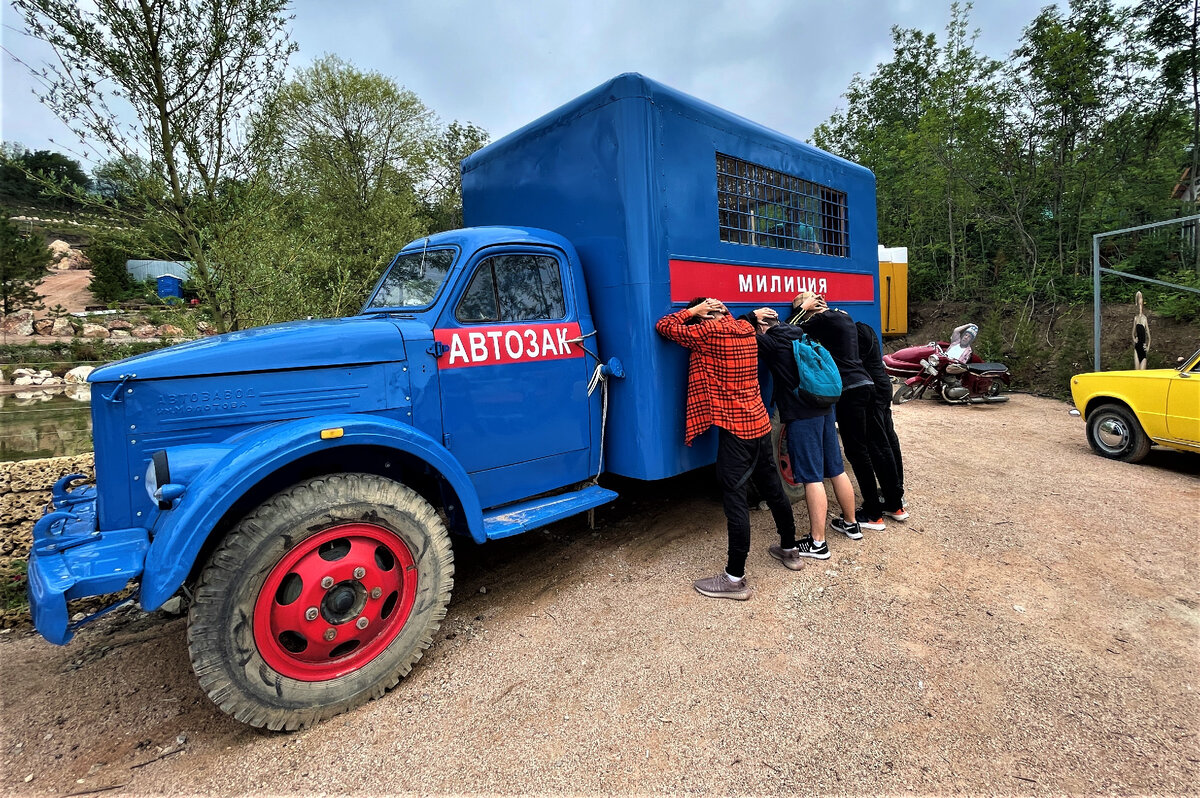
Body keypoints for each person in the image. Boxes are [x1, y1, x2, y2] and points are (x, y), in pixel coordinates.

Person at [656, 297, 799, 600]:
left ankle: (734, 578)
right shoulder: (747, 332)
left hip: (735, 431)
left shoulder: (707, 335)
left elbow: (664, 326)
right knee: (773, 489)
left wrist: (691, 312)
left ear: (704, 318)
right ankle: (790, 550)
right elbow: (743, 321)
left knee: (734, 498)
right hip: (759, 423)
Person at [746, 307, 861, 561]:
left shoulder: (772, 343)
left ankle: (818, 543)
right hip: (824, 408)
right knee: (836, 469)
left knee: (811, 478)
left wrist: (751, 318)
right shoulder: (800, 333)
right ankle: (851, 524)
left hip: (801, 415)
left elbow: (741, 336)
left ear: (763, 327)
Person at [790, 292, 906, 530]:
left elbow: (790, 330)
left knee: (857, 453)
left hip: (850, 390)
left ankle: (873, 514)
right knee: (875, 446)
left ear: (811, 307)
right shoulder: (842, 317)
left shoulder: (822, 320)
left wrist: (803, 310)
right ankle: (893, 504)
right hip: (866, 385)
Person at [856, 320, 906, 508]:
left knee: (879, 446)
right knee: (890, 441)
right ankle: (896, 492)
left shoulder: (856, 333)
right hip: (883, 385)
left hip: (875, 390)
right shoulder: (865, 328)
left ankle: (892, 499)